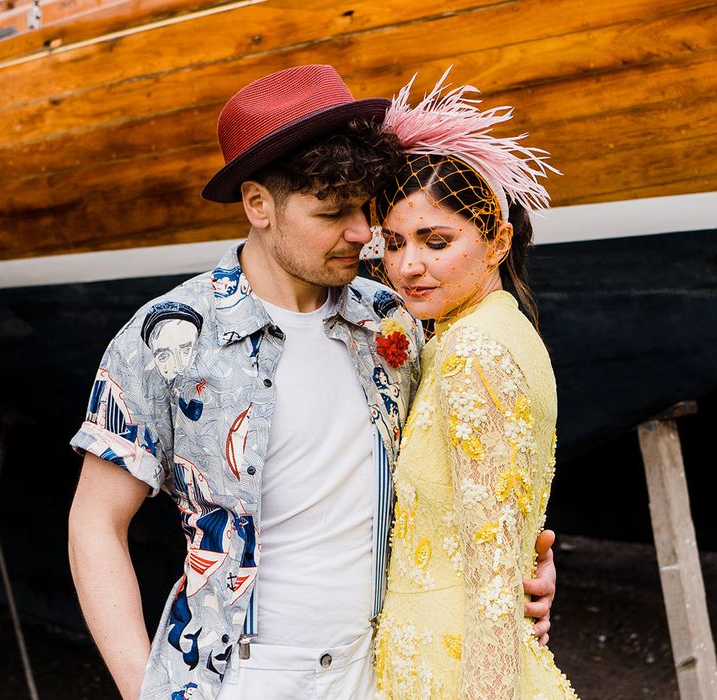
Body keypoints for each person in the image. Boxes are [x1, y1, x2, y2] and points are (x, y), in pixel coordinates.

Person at [67, 64, 557, 700]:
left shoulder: (394, 320)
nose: (362, 234)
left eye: (365, 209)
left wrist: (530, 561)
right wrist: (143, 688)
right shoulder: (168, 338)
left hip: (373, 668)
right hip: (238, 676)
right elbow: (94, 523)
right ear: (258, 205)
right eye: (332, 213)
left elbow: (457, 467)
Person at [371, 73, 577, 698]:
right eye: (394, 243)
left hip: (448, 665)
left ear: (497, 242)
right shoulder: (486, 332)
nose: (409, 266)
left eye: (437, 241)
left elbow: (492, 572)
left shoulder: (475, 351)